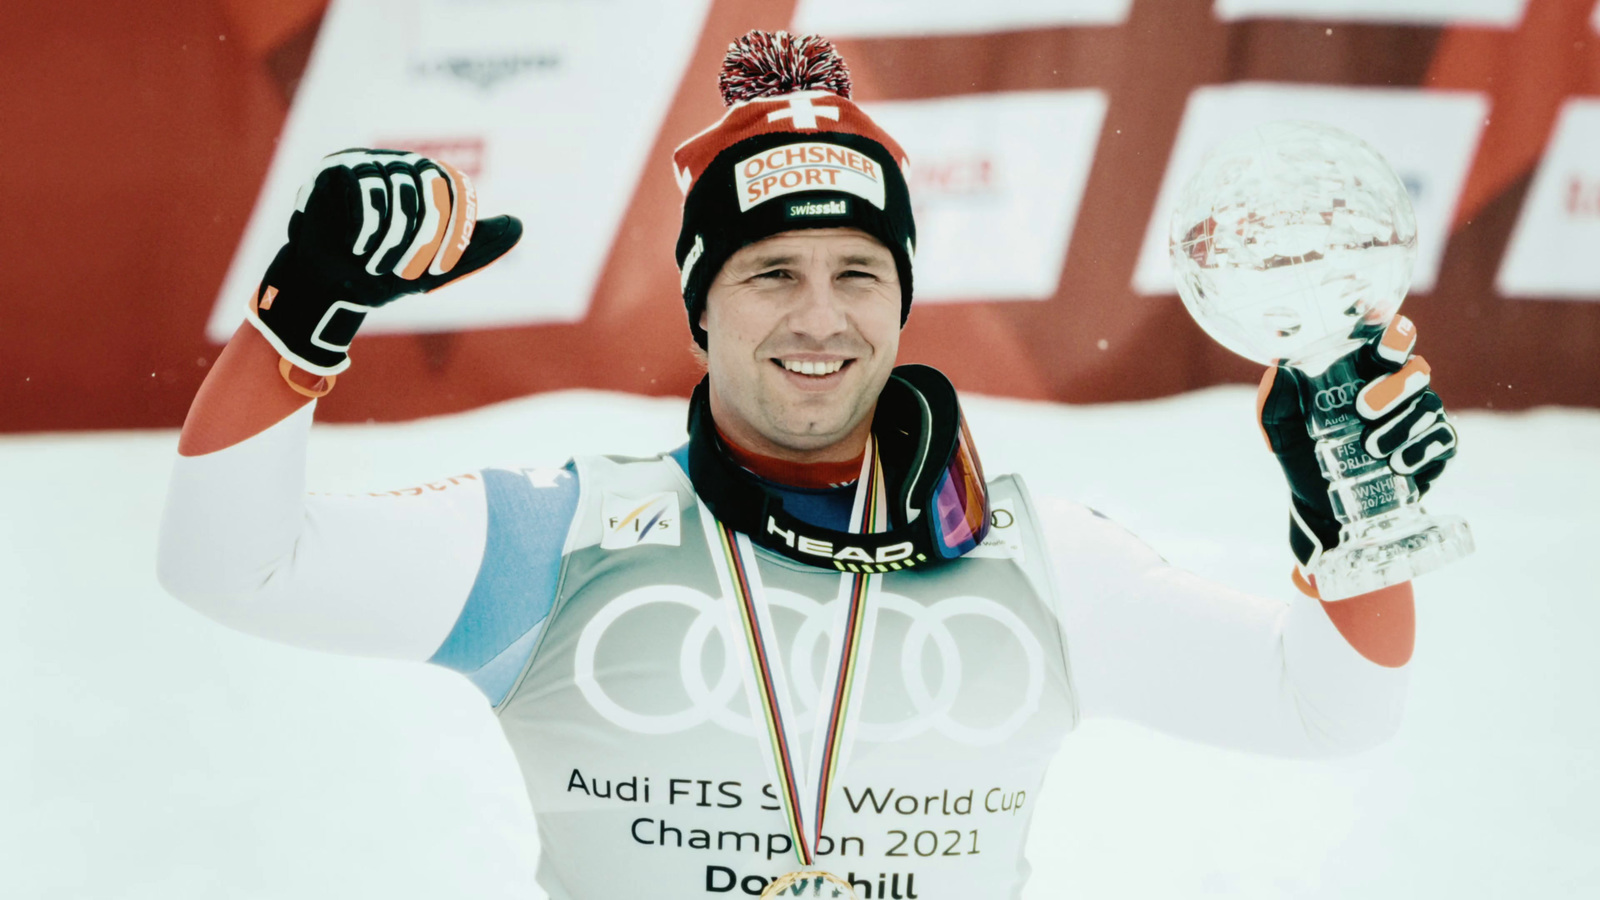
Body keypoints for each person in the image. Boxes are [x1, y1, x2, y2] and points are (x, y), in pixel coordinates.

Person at [157, 30, 1459, 900]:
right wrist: (301, 317)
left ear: (903, 302)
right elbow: (232, 565)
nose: (820, 317)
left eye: (858, 274)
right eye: (770, 273)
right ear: (699, 309)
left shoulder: (1038, 561)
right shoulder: (563, 539)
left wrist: (1358, 516)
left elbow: (1327, 710)